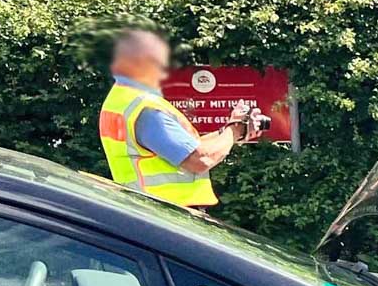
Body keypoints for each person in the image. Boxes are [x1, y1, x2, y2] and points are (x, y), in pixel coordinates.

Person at [98, 30, 260, 208]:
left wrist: (232, 130)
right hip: (168, 214)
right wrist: (235, 128)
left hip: (149, 210)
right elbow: (200, 160)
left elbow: (190, 146)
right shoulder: (147, 110)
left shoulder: (121, 100)